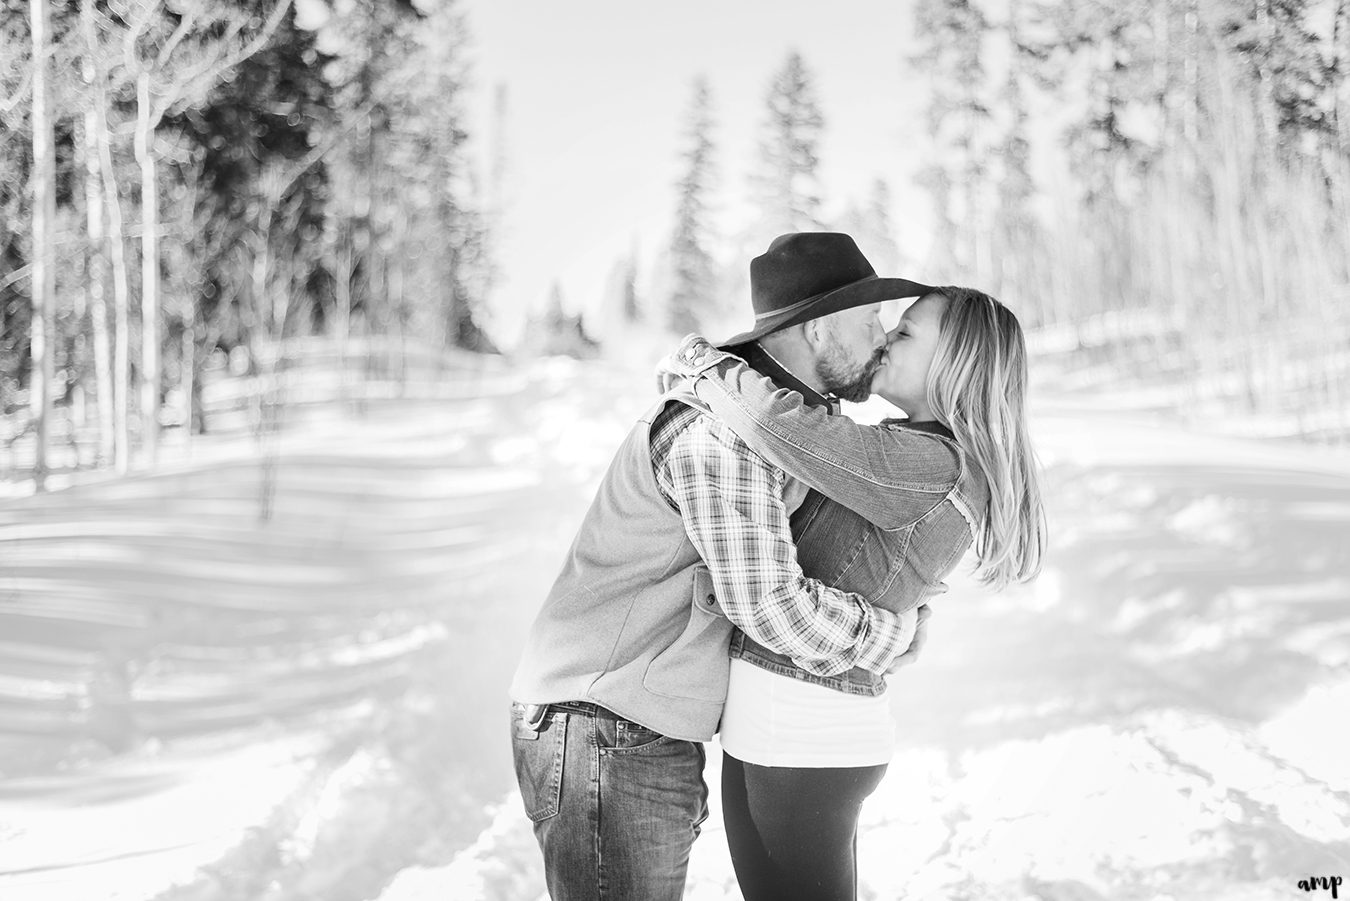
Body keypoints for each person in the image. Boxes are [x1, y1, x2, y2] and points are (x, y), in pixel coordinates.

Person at [508, 232, 940, 900]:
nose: (882, 336)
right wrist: (895, 633)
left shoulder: (773, 421)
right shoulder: (719, 433)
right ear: (820, 327)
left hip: (640, 727)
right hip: (603, 720)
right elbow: (769, 603)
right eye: (868, 320)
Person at [657, 286, 1047, 900]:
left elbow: (779, 426)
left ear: (958, 363)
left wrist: (708, 365)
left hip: (802, 728)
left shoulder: (929, 464)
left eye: (909, 332)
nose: (888, 338)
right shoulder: (924, 458)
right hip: (796, 723)